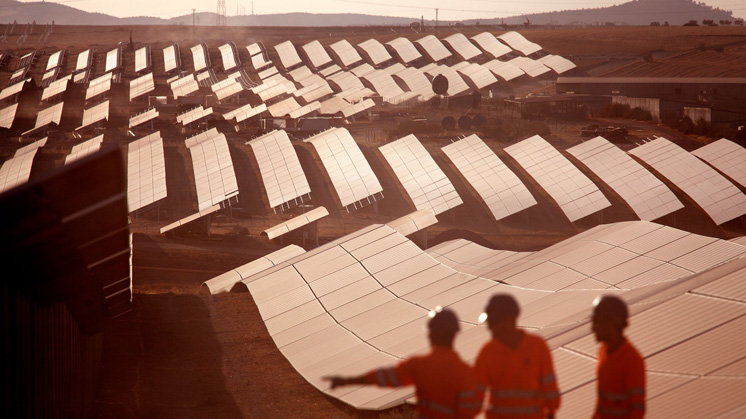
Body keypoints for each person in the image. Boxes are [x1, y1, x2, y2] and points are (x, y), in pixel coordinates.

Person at [324, 307, 482, 419]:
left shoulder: (420, 365)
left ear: (432, 335)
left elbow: (385, 377)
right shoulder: (467, 372)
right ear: (454, 335)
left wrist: (348, 381)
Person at [474, 293, 560, 419]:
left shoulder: (537, 347)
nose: (489, 327)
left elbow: (550, 387)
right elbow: (475, 397)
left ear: (510, 319)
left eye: (493, 322)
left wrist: (552, 411)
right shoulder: (487, 352)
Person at [591, 295, 645, 419]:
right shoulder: (603, 353)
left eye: (597, 322)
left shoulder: (632, 360)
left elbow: (637, 411)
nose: (593, 328)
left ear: (613, 323)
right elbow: (602, 405)